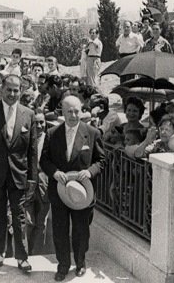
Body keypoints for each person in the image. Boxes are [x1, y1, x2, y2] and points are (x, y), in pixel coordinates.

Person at [39, 96, 105, 281]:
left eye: (77, 111)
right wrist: (55, 173)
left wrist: (90, 172)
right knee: (60, 229)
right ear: (62, 112)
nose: (74, 115)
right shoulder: (52, 133)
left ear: (82, 111)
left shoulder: (92, 133)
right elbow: (44, 160)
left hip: (82, 193)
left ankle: (80, 262)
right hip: (59, 191)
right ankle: (63, 265)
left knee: (81, 229)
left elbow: (102, 161)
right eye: (69, 111)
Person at [0, 74, 37, 272]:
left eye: (16, 90)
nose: (12, 94)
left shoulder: (28, 114)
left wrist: (32, 178)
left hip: (19, 174)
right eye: (9, 90)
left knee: (19, 216)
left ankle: (22, 257)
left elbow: (32, 150)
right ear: (1, 89)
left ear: (21, 91)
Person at [25, 109, 50, 255]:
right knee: (28, 222)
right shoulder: (26, 139)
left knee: (41, 224)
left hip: (44, 187)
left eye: (42, 122)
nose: (39, 126)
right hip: (28, 187)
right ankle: (25, 255)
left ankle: (37, 254)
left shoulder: (50, 140)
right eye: (36, 122)